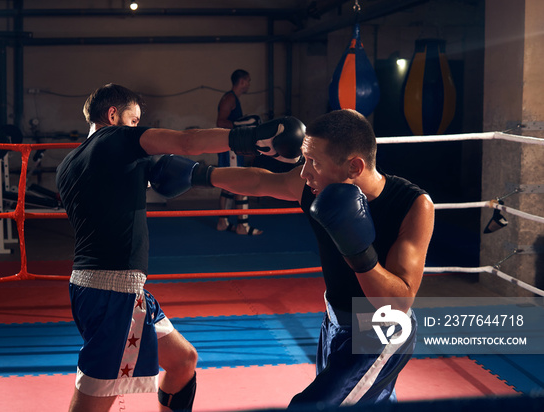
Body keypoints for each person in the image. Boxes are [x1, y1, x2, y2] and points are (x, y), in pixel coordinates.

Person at [55, 83, 305, 412]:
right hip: (112, 291)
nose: (137, 128)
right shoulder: (117, 139)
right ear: (113, 115)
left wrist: (286, 184)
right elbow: (187, 142)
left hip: (105, 287)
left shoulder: (70, 165)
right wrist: (252, 138)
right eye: (134, 120)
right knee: (94, 399)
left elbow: (214, 176)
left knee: (183, 361)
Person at [164, 109, 434, 407]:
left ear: (354, 166)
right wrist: (199, 175)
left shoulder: (413, 205)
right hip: (334, 322)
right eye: (305, 160)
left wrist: (359, 251)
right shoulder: (313, 186)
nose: (304, 173)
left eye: (314, 163)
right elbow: (260, 182)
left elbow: (398, 303)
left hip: (380, 333)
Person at [215, 69, 263, 235]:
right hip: (230, 147)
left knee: (228, 185)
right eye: (248, 81)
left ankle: (222, 222)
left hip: (232, 146)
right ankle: (242, 226)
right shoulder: (229, 98)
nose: (249, 84)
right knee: (239, 183)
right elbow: (220, 121)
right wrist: (239, 125)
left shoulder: (233, 99)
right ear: (242, 82)